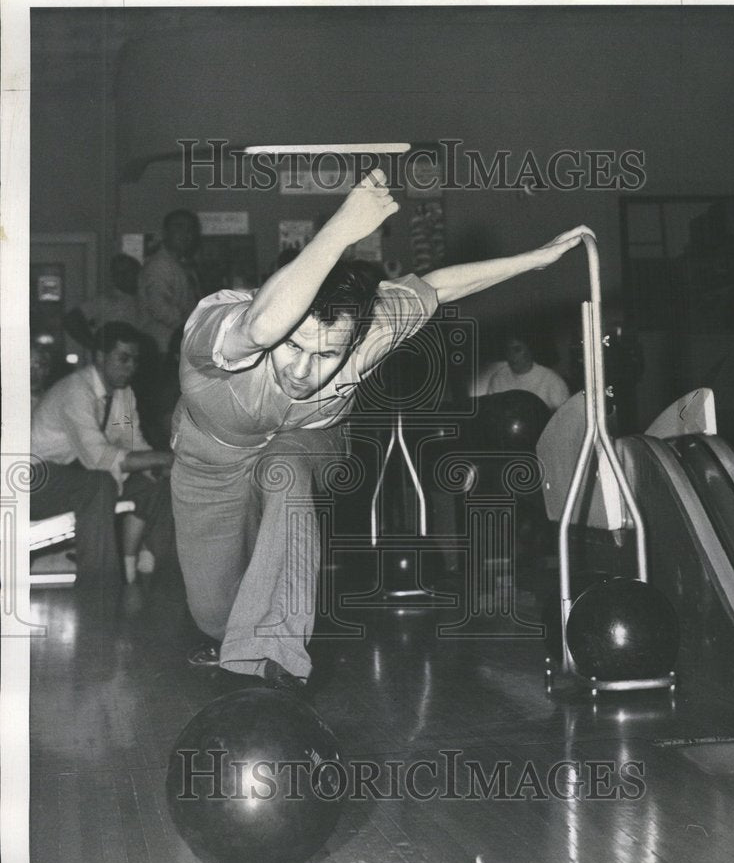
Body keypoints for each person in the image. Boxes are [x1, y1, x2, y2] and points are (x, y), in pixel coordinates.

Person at [173, 169, 592, 692]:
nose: (304, 371)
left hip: (307, 442)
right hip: (211, 461)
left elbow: (438, 286)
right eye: (295, 348)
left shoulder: (370, 327)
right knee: (214, 613)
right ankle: (233, 632)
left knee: (283, 469)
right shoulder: (218, 323)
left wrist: (536, 259)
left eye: (327, 355)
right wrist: (345, 225)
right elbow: (262, 327)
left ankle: (272, 654)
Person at [31, 322, 175, 587]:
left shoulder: (122, 394)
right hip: (30, 479)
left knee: (156, 486)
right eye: (123, 358)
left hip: (65, 474)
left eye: (135, 359)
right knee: (98, 484)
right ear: (100, 357)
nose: (131, 366)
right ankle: (98, 589)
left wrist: (162, 466)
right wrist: (163, 458)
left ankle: (162, 581)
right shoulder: (75, 392)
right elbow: (99, 457)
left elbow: (133, 444)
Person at [138, 209, 202, 357]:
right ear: (165, 232)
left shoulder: (182, 265)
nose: (186, 234)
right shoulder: (159, 265)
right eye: (179, 227)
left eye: (190, 229)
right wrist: (192, 327)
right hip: (162, 349)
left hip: (179, 345)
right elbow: (159, 308)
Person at [487, 333, 570, 411]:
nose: (511, 355)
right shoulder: (498, 379)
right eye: (508, 350)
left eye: (517, 350)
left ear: (530, 350)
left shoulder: (552, 380)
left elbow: (565, 418)